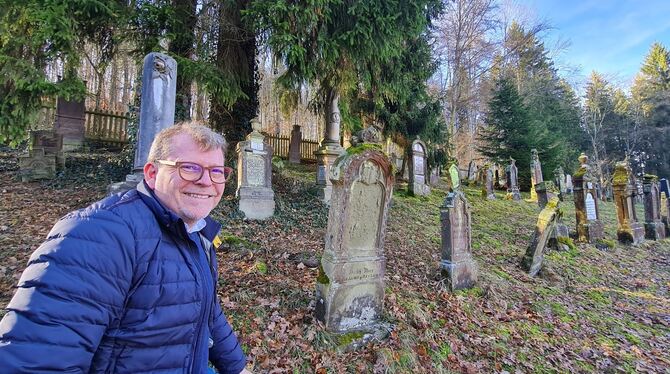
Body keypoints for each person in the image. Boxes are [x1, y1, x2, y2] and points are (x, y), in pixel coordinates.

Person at [0, 122, 251, 373]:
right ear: (152, 173)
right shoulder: (100, 234)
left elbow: (207, 310)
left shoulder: (194, 232)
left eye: (216, 171)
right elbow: (37, 361)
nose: (206, 181)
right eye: (189, 168)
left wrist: (237, 368)